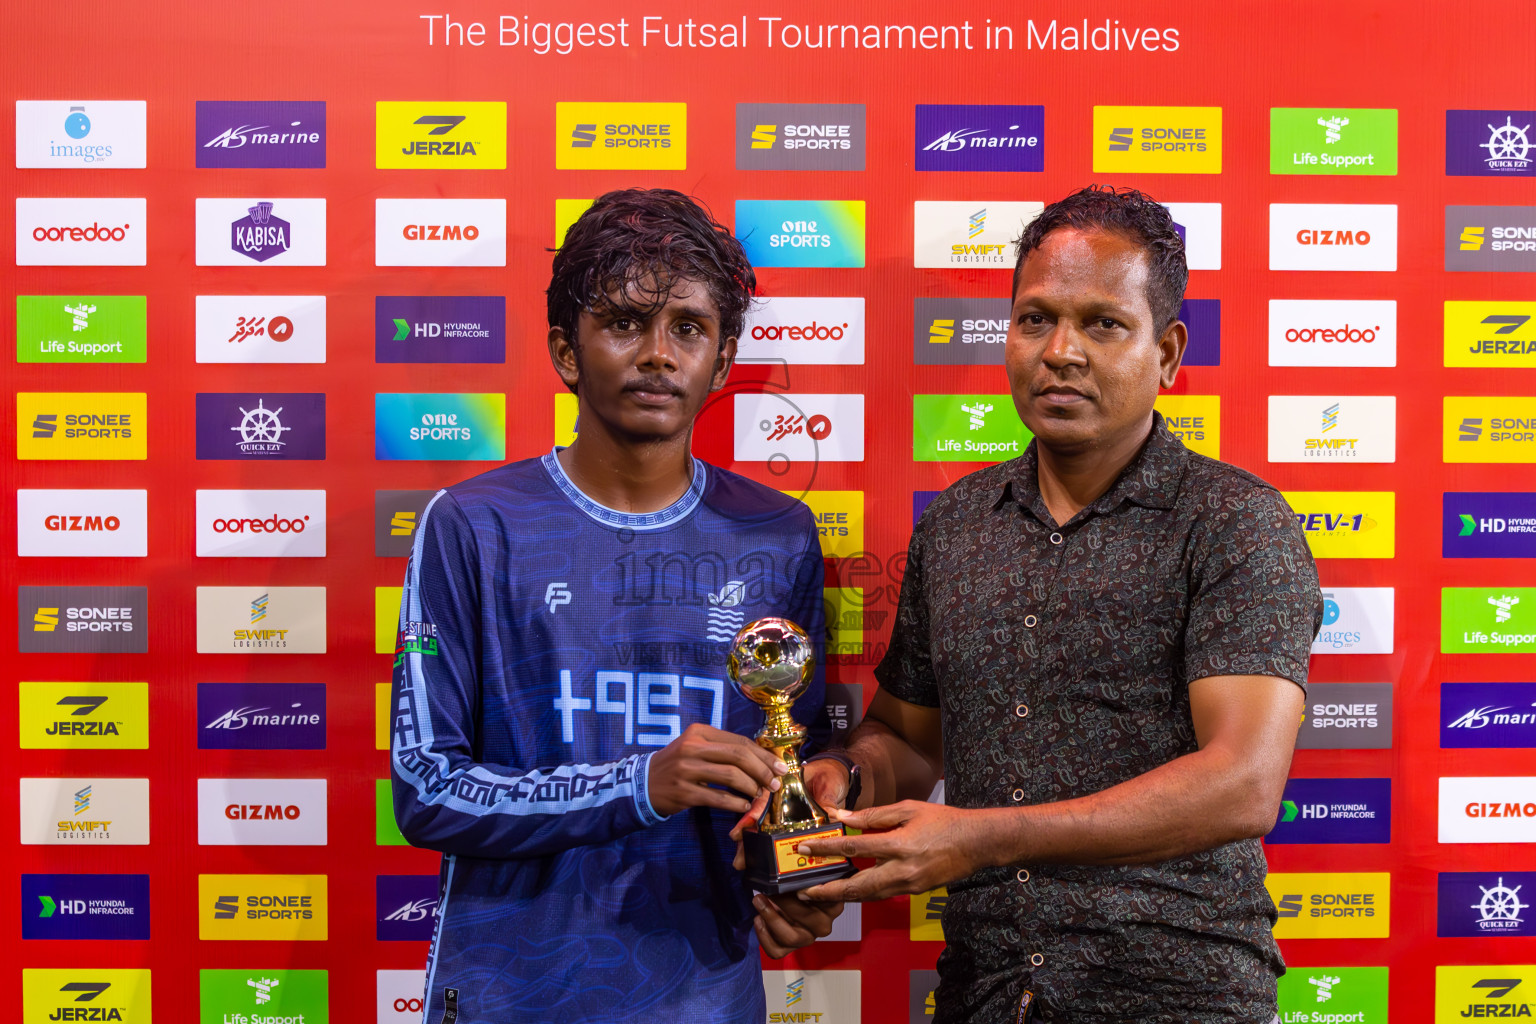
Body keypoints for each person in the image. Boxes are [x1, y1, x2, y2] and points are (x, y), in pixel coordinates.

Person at [786, 185, 1324, 1023]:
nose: (1061, 351)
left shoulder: (1234, 521)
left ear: (1168, 352)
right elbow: (908, 737)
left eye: (1103, 323)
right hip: (989, 991)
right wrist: (846, 776)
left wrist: (979, 835)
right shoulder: (959, 524)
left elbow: (1243, 785)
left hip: (1178, 993)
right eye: (1035, 319)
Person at [389, 187, 840, 1024]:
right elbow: (425, 786)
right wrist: (638, 784)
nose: (659, 355)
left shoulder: (778, 534)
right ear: (567, 350)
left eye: (688, 328)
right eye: (625, 324)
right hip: (509, 996)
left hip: (705, 996)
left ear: (726, 356)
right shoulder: (473, 524)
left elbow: (795, 764)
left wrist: (802, 874)